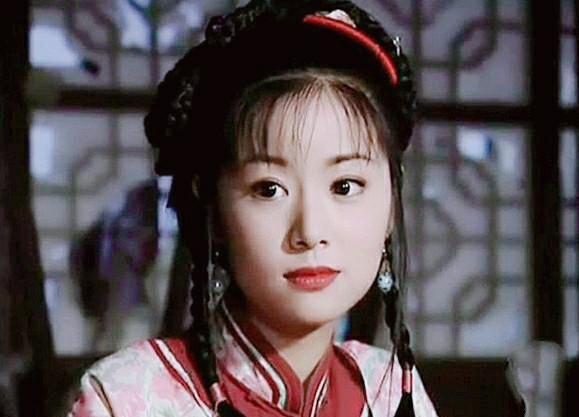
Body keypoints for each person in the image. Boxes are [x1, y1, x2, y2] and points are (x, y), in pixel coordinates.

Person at [67, 1, 439, 416]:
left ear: (391, 202)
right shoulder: (126, 397)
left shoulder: (391, 391)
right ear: (213, 207)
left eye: (345, 186)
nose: (310, 231)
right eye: (269, 189)